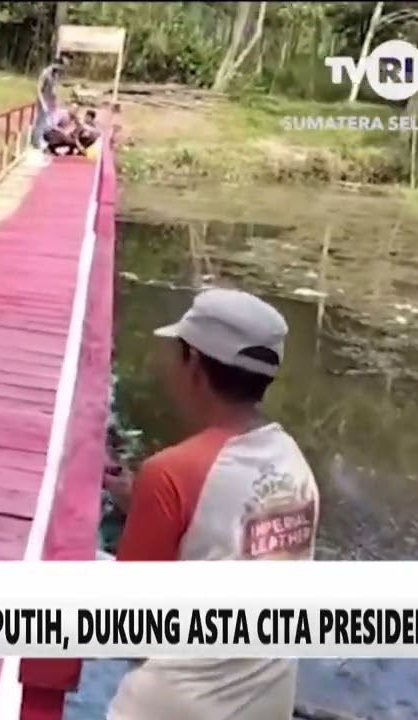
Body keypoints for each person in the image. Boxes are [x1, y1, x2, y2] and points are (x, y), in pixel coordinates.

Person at [107, 288, 319, 720]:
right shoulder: (296, 469)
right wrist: (142, 507)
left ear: (194, 366)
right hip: (265, 704)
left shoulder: (170, 473)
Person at [32, 55, 67, 149]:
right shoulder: (46, 73)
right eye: (59, 67)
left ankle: (39, 140)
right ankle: (35, 142)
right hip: (43, 100)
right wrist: (43, 102)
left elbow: (52, 89)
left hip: (49, 101)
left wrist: (54, 100)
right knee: (40, 121)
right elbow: (39, 88)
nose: (60, 70)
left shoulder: (55, 74)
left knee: (46, 122)